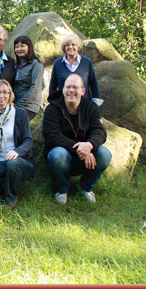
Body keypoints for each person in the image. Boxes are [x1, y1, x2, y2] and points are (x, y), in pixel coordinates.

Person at [42, 73, 112, 205]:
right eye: (68, 87)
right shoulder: (52, 109)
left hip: (86, 157)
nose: (71, 91)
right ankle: (62, 189)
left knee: (104, 154)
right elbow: (52, 135)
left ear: (83, 90)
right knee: (57, 154)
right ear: (63, 90)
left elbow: (100, 131)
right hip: (62, 158)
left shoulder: (91, 107)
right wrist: (80, 148)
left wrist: (89, 145)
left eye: (75, 87)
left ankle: (85, 187)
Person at [0, 80, 34, 209]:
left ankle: (10, 199)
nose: (2, 96)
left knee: (12, 162)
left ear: (10, 95)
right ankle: (10, 184)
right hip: (0, 161)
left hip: (20, 161)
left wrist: (17, 152)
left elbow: (28, 140)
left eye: (5, 92)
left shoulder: (20, 114)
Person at [49, 34, 100, 102]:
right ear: (64, 47)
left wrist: (95, 103)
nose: (70, 47)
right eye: (67, 45)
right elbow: (53, 85)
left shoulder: (87, 62)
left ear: (78, 47)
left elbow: (93, 84)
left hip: (84, 106)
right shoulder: (58, 63)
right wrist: (53, 103)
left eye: (73, 44)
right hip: (63, 106)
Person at [13, 35, 44, 121]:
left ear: (29, 47)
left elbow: (35, 87)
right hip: (16, 105)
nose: (19, 49)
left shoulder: (36, 64)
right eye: (16, 47)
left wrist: (19, 105)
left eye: (22, 46)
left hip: (28, 106)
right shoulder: (16, 65)